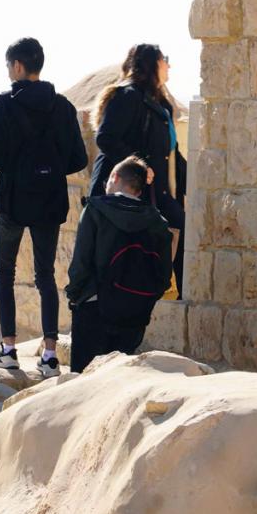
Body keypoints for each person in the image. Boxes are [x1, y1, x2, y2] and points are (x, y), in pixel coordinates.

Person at [0, 37, 90, 379]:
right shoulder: (62, 106)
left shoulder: (4, 106)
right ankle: (49, 354)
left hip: (13, 200)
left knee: (4, 272)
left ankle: (9, 349)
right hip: (49, 201)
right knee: (46, 276)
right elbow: (78, 159)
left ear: (16, 66)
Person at [90, 43, 185, 294]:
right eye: (165, 59)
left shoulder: (159, 103)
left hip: (156, 193)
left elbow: (169, 153)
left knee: (177, 231)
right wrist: (138, 166)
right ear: (152, 62)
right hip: (131, 193)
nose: (169, 64)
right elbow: (106, 138)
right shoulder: (127, 96)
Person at [66, 155, 172, 372]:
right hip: (135, 314)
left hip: (94, 306)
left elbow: (82, 261)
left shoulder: (96, 210)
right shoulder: (158, 222)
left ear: (114, 177)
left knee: (83, 384)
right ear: (140, 190)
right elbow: (164, 275)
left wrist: (75, 296)